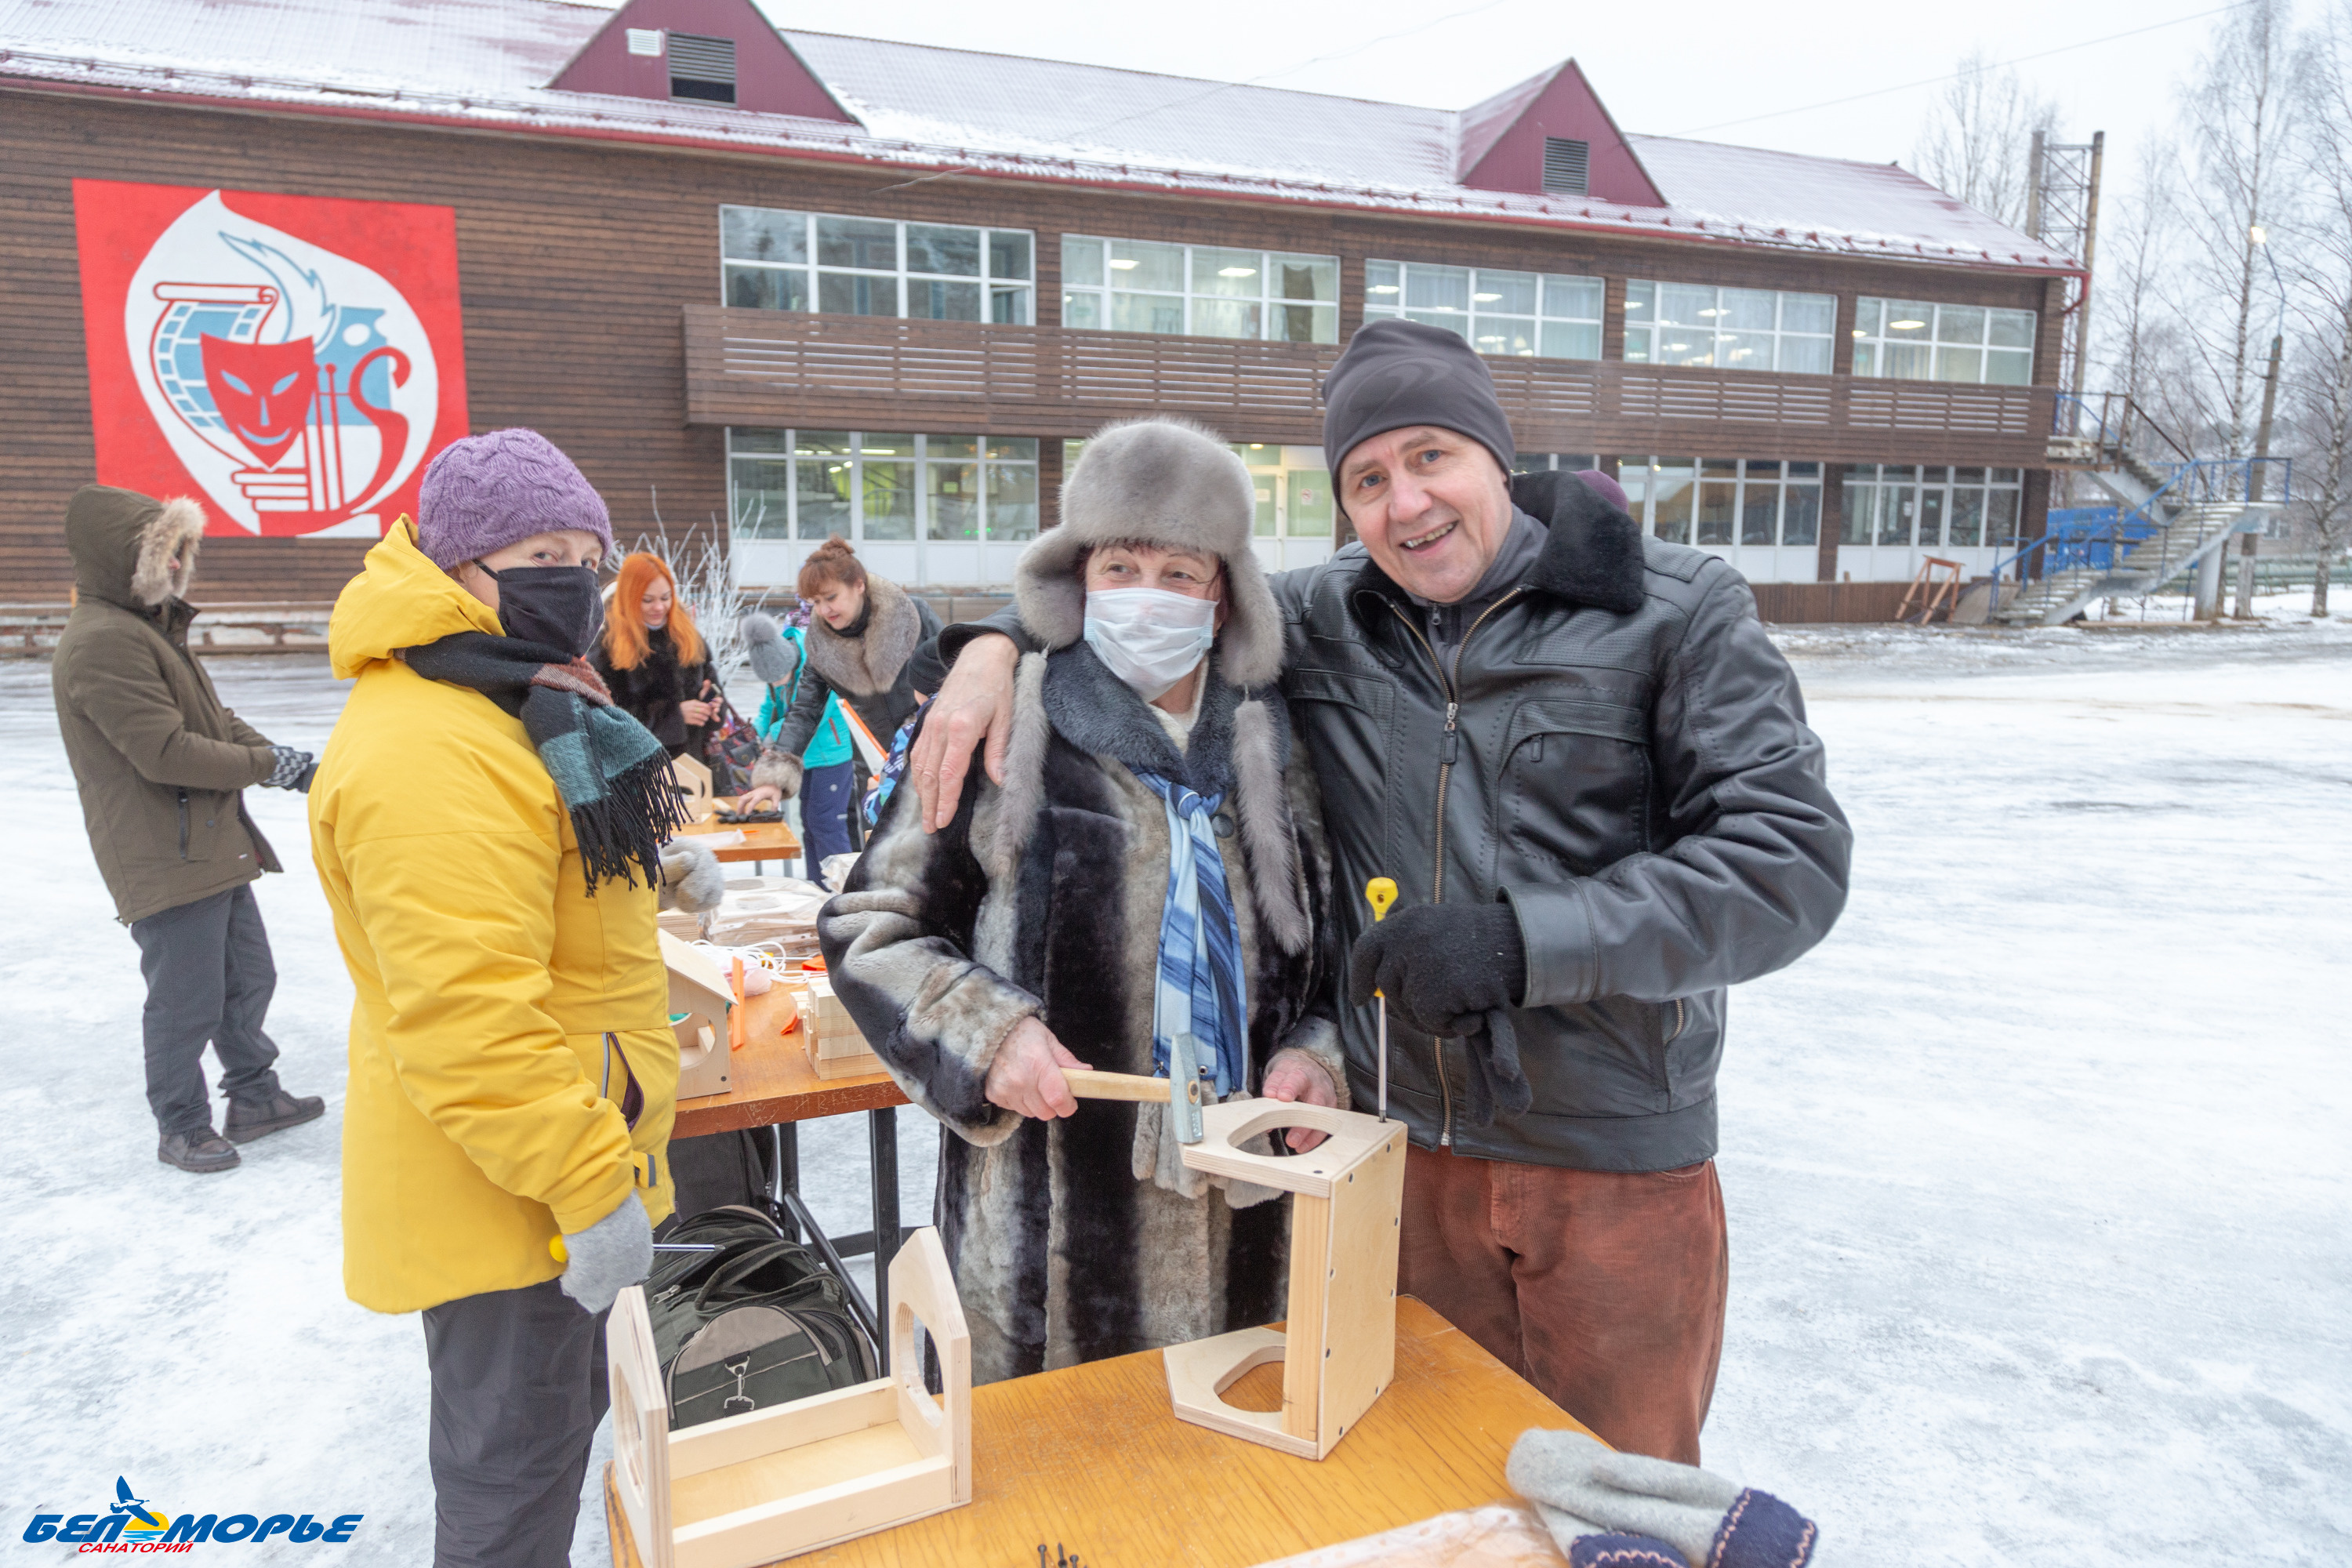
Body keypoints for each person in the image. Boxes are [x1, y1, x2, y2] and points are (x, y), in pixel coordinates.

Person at [909, 321, 1854, 1462]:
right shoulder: (1330, 617)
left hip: (1609, 1161)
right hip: (1401, 1160)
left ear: (1495, 457)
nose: (1405, 504)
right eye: (1368, 479)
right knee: (1422, 1486)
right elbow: (1163, 580)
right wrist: (998, 643)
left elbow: (1789, 861)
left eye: (1430, 458)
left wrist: (1525, 944)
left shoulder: (1674, 610)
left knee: (1622, 1493)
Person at [817, 418, 1345, 1383]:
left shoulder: (1277, 743)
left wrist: (1319, 1051)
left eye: (1180, 573)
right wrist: (986, 1036)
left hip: (1253, 1235)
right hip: (1046, 1252)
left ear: (1223, 595)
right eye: (1120, 566)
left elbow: (1333, 956)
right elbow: (872, 927)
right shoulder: (1003, 720)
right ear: (1079, 580)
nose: (1148, 595)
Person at [309, 428, 683, 1567]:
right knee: (511, 1496)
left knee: (538, 1458)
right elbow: (470, 1017)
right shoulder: (429, 744)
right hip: (511, 1193)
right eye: (538, 549)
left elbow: (539, 878)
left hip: (538, 1172)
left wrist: (647, 869)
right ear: (457, 566)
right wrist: (587, 1185)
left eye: (585, 549)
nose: (571, 574)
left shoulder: (500, 698)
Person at [51, 485, 325, 1174]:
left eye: (182, 551)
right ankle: (182, 1125)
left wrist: (292, 763)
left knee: (247, 979)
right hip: (163, 854)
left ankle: (255, 1097)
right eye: (164, 553)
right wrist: (268, 765)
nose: (178, 565)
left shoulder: (149, 631)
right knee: (186, 1000)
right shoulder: (101, 644)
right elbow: (166, 752)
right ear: (126, 560)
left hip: (208, 840)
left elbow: (215, 722)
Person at [737, 537, 943, 829]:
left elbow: (955, 670)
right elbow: (805, 710)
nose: (823, 610)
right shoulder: (821, 647)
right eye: (816, 602)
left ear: (859, 584)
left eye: (830, 597)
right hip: (876, 767)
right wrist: (774, 778)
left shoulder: (913, 614)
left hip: (937, 748)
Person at [748, 612, 859, 881]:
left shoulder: (815, 659)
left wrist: (776, 735)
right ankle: (817, 885)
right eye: (772, 681)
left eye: (781, 678)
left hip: (832, 756)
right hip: (801, 759)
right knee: (810, 824)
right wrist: (755, 734)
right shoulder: (775, 664)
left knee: (827, 824)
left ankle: (844, 889)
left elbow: (818, 713)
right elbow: (769, 708)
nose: (778, 684)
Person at [592, 551, 719, 762]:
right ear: (630, 599)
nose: (659, 607)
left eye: (665, 598)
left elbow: (711, 686)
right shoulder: (608, 647)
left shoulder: (687, 636)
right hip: (640, 773)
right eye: (647, 600)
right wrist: (674, 718)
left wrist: (712, 705)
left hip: (694, 769)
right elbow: (605, 720)